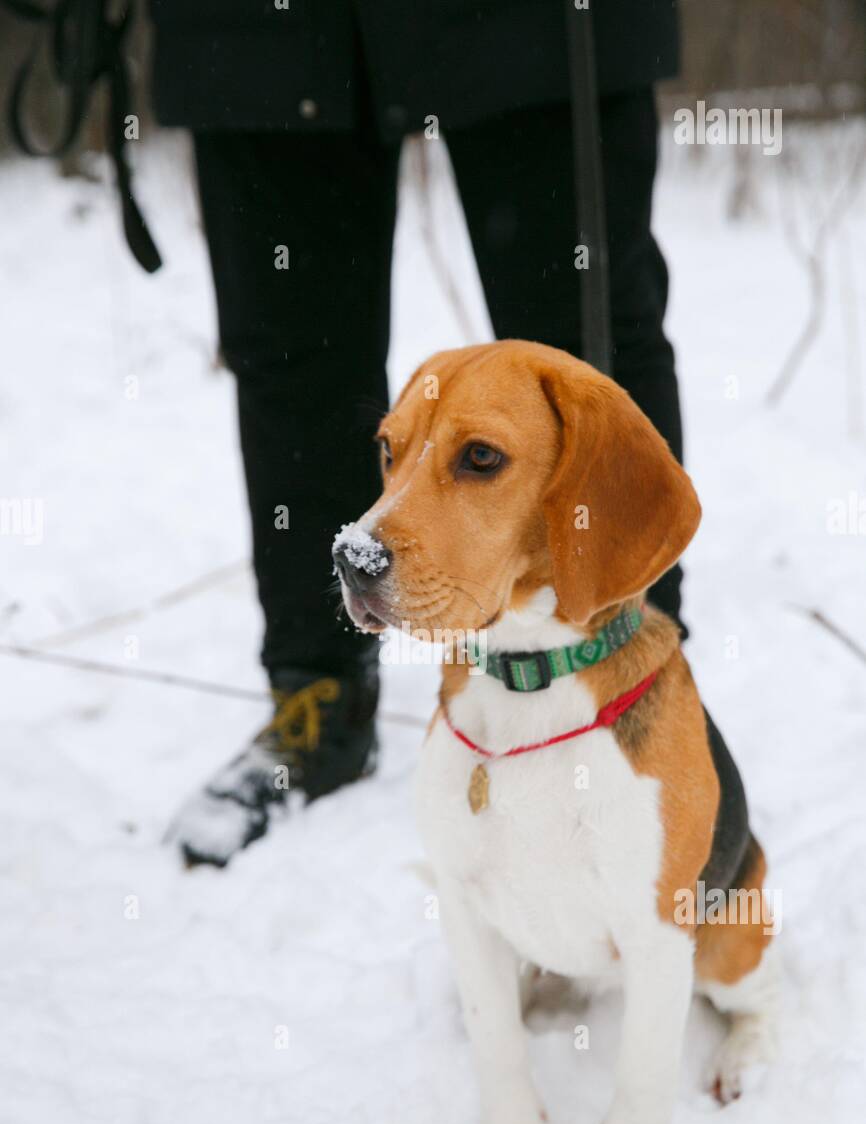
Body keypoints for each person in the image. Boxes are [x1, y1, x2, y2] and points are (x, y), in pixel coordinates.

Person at [148, 0, 684, 866]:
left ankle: (636, 688)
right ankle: (317, 698)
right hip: (258, 31)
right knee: (293, 354)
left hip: (542, 29)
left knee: (586, 347)